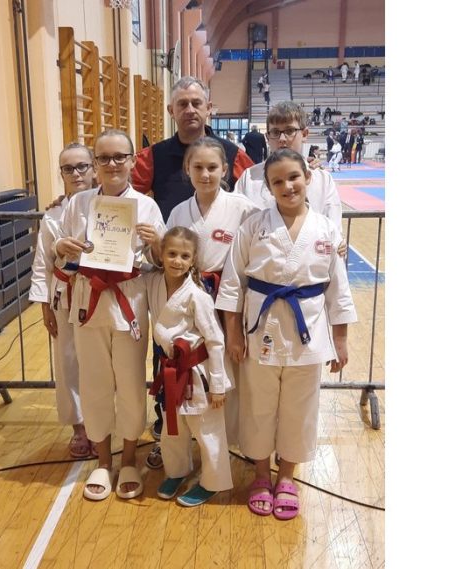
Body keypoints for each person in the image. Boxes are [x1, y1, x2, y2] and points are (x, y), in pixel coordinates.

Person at [217, 149, 357, 521]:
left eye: (294, 177)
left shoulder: (326, 229)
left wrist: (340, 339)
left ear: (308, 178)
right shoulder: (253, 226)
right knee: (258, 404)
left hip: (309, 330)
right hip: (260, 327)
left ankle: (287, 477)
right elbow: (232, 283)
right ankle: (262, 475)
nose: (287, 186)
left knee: (300, 407)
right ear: (268, 187)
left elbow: (338, 288)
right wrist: (233, 334)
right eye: (277, 181)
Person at [53, 129, 167, 501]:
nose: (112, 164)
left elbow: (160, 261)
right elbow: (62, 256)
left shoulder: (147, 207)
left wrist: (156, 243)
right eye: (104, 158)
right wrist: (61, 246)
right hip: (88, 300)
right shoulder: (78, 202)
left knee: (131, 383)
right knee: (94, 383)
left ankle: (129, 459)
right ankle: (103, 460)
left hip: (129, 300)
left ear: (133, 161)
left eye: (120, 157)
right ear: (95, 163)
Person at [167, 137, 260, 448]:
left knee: (235, 367)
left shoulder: (243, 208)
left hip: (232, 298)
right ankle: (206, 441)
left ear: (224, 170)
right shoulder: (179, 212)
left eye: (212, 167)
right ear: (187, 169)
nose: (205, 174)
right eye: (198, 167)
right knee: (200, 368)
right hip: (192, 298)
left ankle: (237, 439)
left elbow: (269, 237)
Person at [147, 226, 234, 507]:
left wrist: (218, 386)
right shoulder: (154, 284)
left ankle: (212, 482)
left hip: (198, 373)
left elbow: (216, 340)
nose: (177, 261)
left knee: (206, 429)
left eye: (185, 256)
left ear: (193, 260)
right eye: (172, 254)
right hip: (169, 369)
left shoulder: (198, 296)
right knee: (172, 427)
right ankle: (177, 470)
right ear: (161, 254)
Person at [29, 143, 98, 459]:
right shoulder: (53, 215)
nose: (76, 173)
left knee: (100, 364)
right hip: (65, 296)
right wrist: (45, 307)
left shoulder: (110, 206)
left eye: (82, 166)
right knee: (68, 363)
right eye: (68, 168)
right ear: (61, 174)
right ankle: (79, 427)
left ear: (94, 167)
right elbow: (42, 263)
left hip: (101, 295)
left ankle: (101, 424)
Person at [131, 76, 252, 222]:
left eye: (196, 103)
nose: (190, 110)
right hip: (170, 235)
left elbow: (256, 198)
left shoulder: (234, 155)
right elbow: (124, 194)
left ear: (208, 108)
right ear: (171, 110)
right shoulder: (153, 156)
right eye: (182, 104)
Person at [235, 102, 344, 249]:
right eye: (275, 132)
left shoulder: (323, 180)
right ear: (268, 137)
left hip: (311, 260)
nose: (282, 138)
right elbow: (236, 230)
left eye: (290, 131)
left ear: (304, 134)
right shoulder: (249, 178)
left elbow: (335, 236)